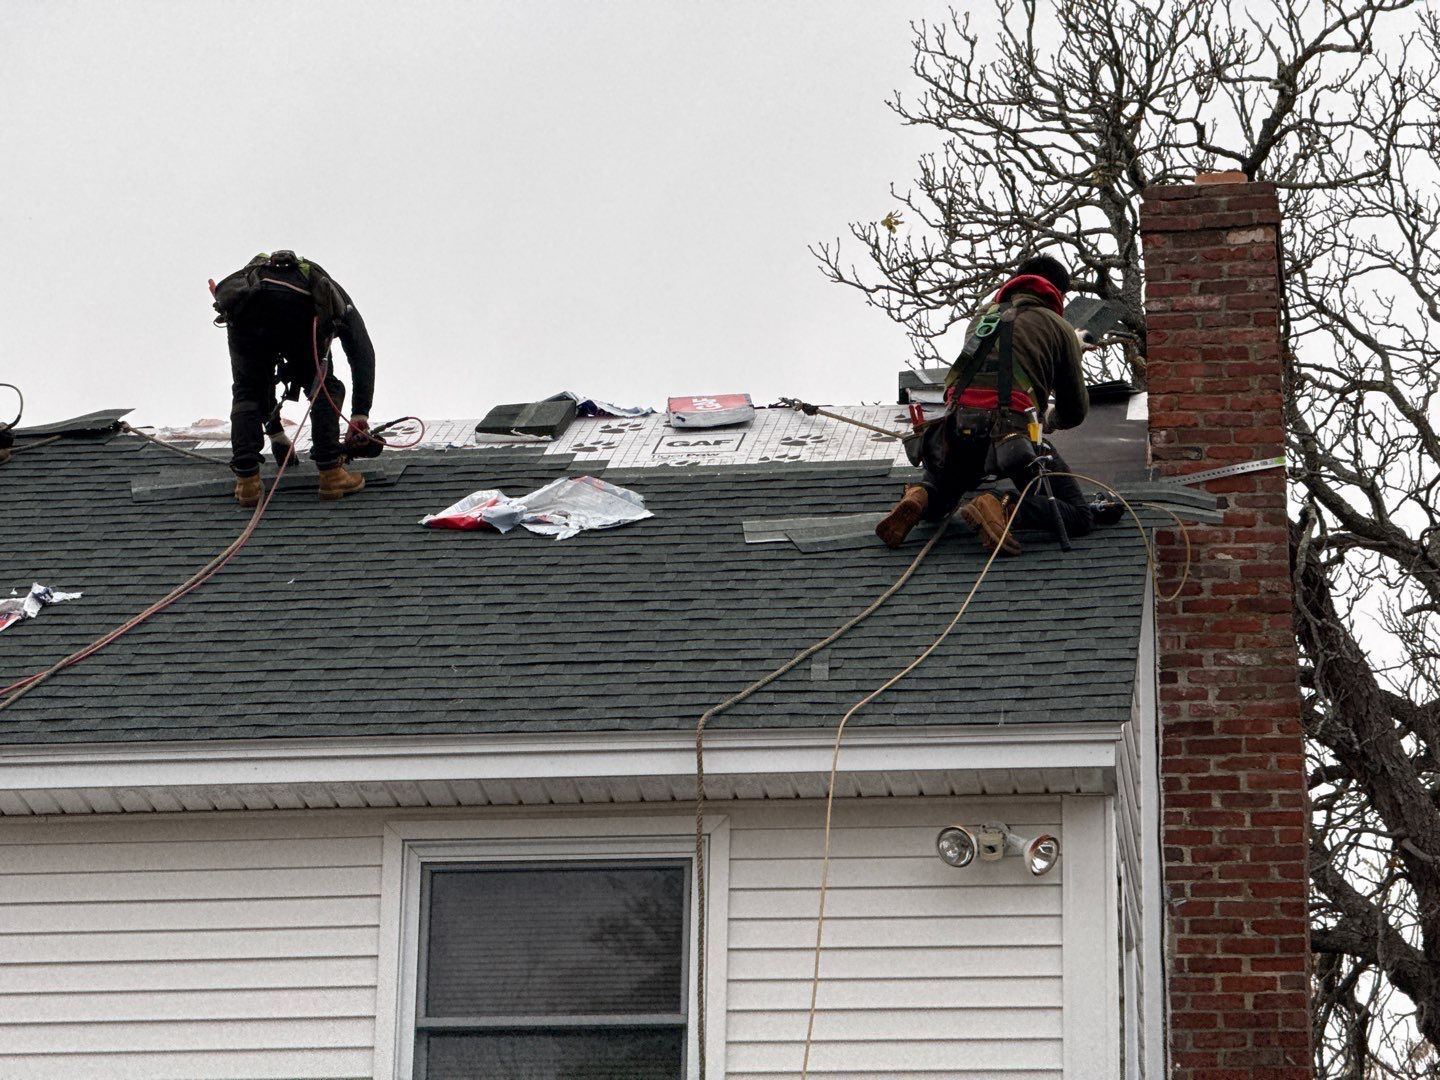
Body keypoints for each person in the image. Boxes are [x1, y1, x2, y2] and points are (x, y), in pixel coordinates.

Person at [876, 254, 1096, 554]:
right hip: (1011, 439)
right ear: (1059, 293)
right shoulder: (1058, 327)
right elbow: (1074, 412)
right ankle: (1001, 506)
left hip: (955, 429)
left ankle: (920, 496)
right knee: (1078, 514)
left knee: (945, 492)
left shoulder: (984, 317)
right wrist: (1049, 417)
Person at [211, 251, 375, 506]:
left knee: (247, 390)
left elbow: (252, 385)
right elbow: (361, 352)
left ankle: (247, 484)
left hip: (246, 321)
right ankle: (331, 473)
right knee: (326, 387)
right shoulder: (328, 294)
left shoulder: (244, 292)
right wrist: (360, 415)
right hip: (298, 318)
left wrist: (277, 436)